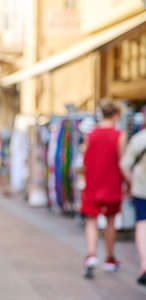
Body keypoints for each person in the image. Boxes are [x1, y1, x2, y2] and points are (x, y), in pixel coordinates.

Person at [81, 101, 127, 279]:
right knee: (110, 221)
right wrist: (128, 183)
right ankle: (109, 257)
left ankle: (91, 254)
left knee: (91, 221)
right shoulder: (119, 135)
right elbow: (122, 162)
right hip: (112, 184)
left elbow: (85, 159)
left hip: (92, 183)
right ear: (115, 114)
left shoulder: (90, 135)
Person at [120, 127, 146, 285]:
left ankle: (144, 264)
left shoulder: (139, 139)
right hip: (140, 190)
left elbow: (124, 165)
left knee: (142, 225)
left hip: (141, 189)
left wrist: (131, 182)